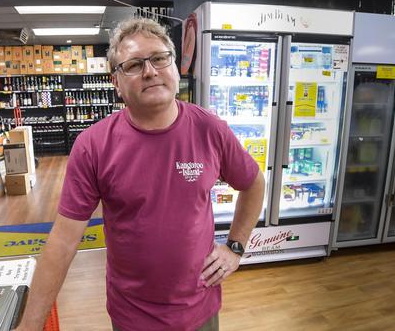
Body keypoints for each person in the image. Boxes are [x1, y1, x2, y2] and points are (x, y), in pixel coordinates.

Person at [25, 17, 264, 331]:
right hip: (132, 316)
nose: (150, 71)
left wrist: (235, 247)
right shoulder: (93, 145)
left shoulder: (209, 128)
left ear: (174, 66)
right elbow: (62, 241)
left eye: (159, 58)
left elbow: (254, 183)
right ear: (116, 82)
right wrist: (29, 325)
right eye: (134, 65)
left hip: (200, 308)